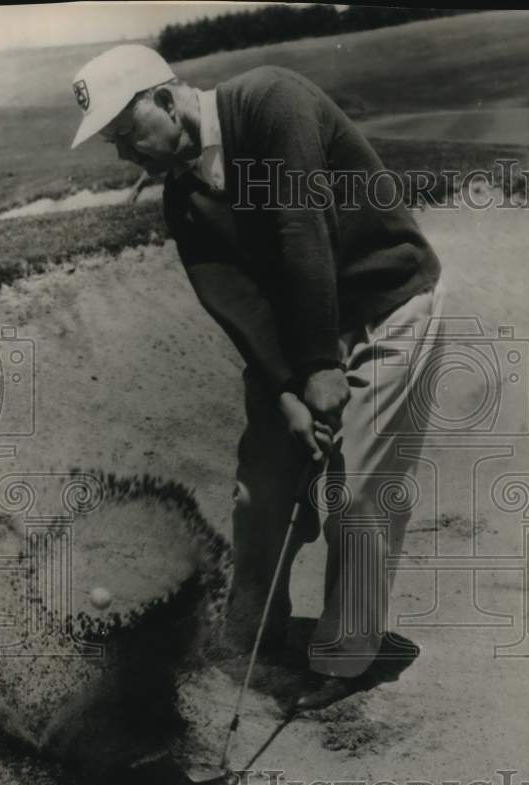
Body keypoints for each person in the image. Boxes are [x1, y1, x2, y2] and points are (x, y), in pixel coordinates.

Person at [71, 44, 444, 711]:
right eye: (113, 145)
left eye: (126, 134)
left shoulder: (272, 100)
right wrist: (285, 388)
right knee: (259, 492)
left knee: (357, 495)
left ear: (165, 96)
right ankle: (251, 632)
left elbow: (301, 230)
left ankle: (346, 657)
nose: (126, 155)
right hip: (308, 336)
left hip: (388, 307)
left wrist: (321, 371)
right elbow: (235, 300)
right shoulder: (183, 197)